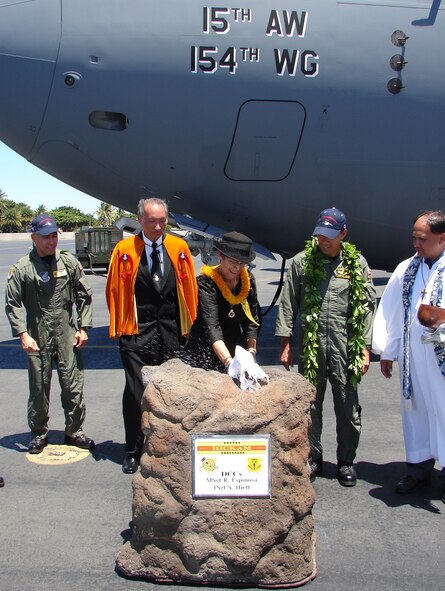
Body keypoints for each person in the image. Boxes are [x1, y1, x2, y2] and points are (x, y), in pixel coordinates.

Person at [275, 207, 376, 486]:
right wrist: (285, 343)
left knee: (347, 406)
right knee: (311, 406)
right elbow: (288, 303)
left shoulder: (356, 264)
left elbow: (367, 308)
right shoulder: (301, 262)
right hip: (312, 347)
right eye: (319, 235)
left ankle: (346, 461)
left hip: (346, 348)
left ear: (344, 233)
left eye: (330, 236)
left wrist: (365, 348)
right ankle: (313, 457)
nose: (323, 240)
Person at [106, 198, 198, 474]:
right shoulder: (124, 250)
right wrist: (121, 328)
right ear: (139, 219)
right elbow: (114, 291)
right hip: (136, 333)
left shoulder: (179, 248)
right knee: (135, 394)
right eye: (151, 221)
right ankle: (133, 449)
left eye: (162, 221)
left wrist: (189, 328)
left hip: (171, 333)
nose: (158, 226)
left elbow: (189, 287)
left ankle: (170, 449)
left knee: (172, 394)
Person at [5, 214, 94, 454]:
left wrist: (83, 328)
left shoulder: (68, 263)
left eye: (54, 235)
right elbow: (12, 303)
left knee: (73, 384)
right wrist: (23, 334)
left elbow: (84, 295)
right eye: (45, 236)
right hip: (38, 333)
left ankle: (74, 431)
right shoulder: (23, 268)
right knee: (39, 386)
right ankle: (38, 433)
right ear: (33, 237)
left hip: (66, 332)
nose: (51, 241)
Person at [373, 211, 445, 501]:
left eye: (422, 238)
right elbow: (391, 311)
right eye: (414, 237)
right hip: (414, 357)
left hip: (441, 358)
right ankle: (418, 469)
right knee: (416, 411)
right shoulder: (407, 268)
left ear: (442, 238)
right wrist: (388, 352)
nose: (416, 243)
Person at [186, 231, 261, 372]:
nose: (237, 268)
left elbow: (252, 321)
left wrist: (251, 353)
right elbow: (212, 327)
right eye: (233, 262)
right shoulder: (206, 283)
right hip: (206, 349)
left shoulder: (248, 280)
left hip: (234, 346)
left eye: (242, 263)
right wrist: (229, 363)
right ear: (220, 256)